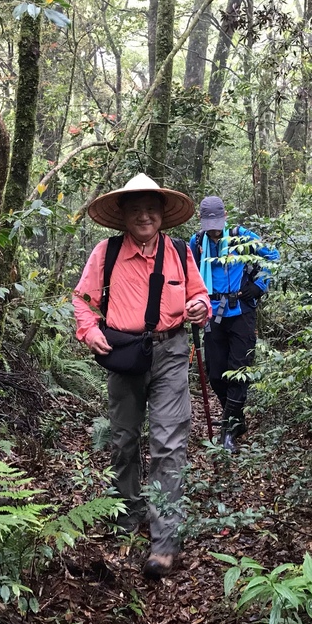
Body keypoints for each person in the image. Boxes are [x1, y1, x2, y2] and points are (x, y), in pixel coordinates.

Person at [73, 174, 211, 579]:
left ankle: (165, 540)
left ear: (162, 214)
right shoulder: (106, 253)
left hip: (170, 352)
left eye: (151, 208)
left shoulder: (180, 251)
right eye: (136, 209)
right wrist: (90, 331)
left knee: (169, 442)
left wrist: (201, 307)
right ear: (124, 216)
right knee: (123, 440)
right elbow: (82, 301)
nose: (144, 215)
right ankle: (127, 516)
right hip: (123, 354)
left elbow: (197, 295)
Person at [189, 196, 279, 453]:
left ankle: (228, 432)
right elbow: (191, 275)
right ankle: (237, 420)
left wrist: (259, 286)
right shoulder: (197, 243)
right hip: (212, 313)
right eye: (209, 224)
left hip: (241, 312)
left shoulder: (242, 236)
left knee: (238, 371)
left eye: (217, 222)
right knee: (216, 375)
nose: (214, 228)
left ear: (225, 216)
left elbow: (273, 255)